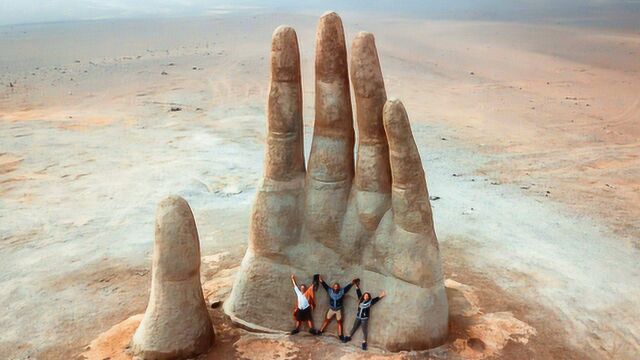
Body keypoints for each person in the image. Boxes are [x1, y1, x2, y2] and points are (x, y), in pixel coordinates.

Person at [343, 285, 386, 350]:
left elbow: (376, 299)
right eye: (365, 295)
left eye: (367, 296)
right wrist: (357, 287)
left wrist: (381, 295)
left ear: (369, 297)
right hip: (358, 317)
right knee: (354, 327)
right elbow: (359, 294)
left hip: (364, 318)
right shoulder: (361, 301)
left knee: (364, 331)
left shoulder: (370, 302)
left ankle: (364, 343)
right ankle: (349, 337)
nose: (366, 296)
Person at [318, 275, 358, 340]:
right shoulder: (330, 291)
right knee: (327, 320)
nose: (336, 288)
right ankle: (321, 330)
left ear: (338, 287)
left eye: (337, 287)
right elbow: (325, 286)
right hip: (331, 309)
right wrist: (321, 281)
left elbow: (347, 288)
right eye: (335, 286)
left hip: (338, 310)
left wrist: (352, 283)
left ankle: (340, 335)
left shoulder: (341, 291)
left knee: (339, 322)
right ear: (333, 287)